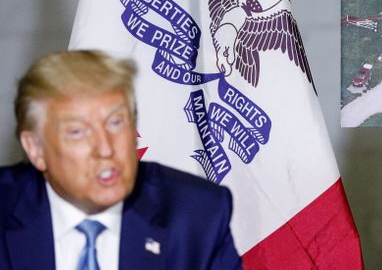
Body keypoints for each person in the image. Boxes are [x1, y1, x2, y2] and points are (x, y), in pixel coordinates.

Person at [0, 50, 242, 269]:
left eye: (116, 123)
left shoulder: (196, 214)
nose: (105, 149)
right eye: (77, 132)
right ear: (35, 149)